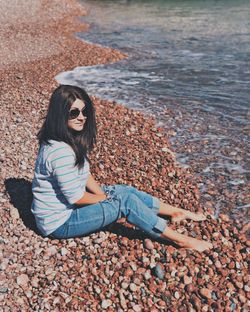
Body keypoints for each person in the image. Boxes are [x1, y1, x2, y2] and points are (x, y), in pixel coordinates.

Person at [31, 85, 213, 252]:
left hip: (69, 208)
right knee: (125, 202)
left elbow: (83, 174)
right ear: (60, 115)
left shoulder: (64, 139)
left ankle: (174, 211)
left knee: (123, 190)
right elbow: (76, 197)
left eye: (84, 111)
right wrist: (105, 199)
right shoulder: (60, 152)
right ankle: (181, 240)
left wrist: (103, 193)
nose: (82, 117)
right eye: (74, 112)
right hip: (60, 223)